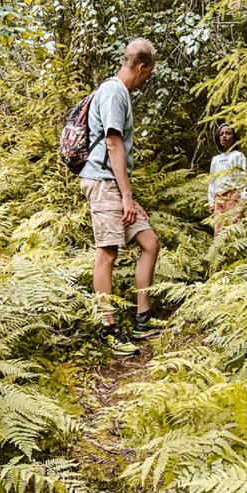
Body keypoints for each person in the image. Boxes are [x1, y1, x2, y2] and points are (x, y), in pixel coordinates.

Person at [79, 38, 165, 357]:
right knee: (108, 254)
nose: (147, 80)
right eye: (149, 74)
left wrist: (129, 196)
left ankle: (142, 320)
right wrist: (125, 196)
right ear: (141, 67)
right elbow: (113, 144)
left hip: (113, 184)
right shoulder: (114, 91)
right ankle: (108, 329)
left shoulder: (120, 93)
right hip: (102, 183)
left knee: (149, 243)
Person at [208, 123, 247, 235]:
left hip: (233, 196)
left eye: (228, 133)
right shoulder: (215, 160)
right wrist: (211, 201)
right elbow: (212, 181)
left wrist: (243, 198)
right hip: (219, 198)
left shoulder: (238, 156)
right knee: (219, 230)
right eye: (221, 134)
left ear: (234, 137)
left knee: (233, 227)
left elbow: (242, 178)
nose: (224, 136)